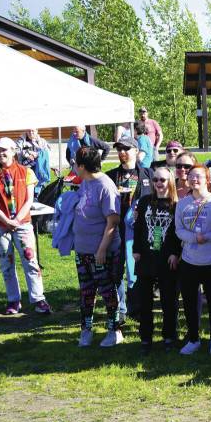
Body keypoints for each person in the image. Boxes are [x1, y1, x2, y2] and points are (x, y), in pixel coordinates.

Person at [0, 137, 51, 315]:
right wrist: (6, 221)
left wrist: (17, 220)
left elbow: (29, 199)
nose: (1, 153)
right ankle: (13, 300)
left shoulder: (26, 172)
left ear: (14, 151)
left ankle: (39, 299)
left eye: (4, 150)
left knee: (30, 261)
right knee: (6, 263)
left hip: (23, 224)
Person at [174, 164, 211, 355]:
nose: (193, 179)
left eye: (198, 176)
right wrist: (193, 238)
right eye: (191, 176)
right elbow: (179, 229)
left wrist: (207, 237)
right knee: (189, 302)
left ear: (207, 179)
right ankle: (193, 339)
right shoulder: (182, 204)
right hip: (190, 261)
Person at [72, 145, 124, 348]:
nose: (74, 166)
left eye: (75, 163)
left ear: (82, 166)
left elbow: (112, 221)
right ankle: (86, 330)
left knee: (107, 291)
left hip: (101, 251)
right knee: (86, 291)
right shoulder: (86, 182)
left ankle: (114, 330)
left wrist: (102, 249)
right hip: (82, 249)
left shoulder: (105, 186)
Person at [132, 166, 181, 353]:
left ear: (170, 181)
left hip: (167, 258)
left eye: (162, 180)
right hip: (146, 257)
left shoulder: (176, 204)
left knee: (169, 300)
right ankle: (146, 338)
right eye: (155, 180)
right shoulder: (145, 201)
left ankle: (169, 336)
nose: (159, 183)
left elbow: (178, 233)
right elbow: (138, 227)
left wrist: (175, 253)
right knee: (144, 301)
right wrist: (136, 249)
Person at [107, 136, 154, 328]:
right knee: (116, 271)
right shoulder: (110, 176)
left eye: (126, 148)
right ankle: (120, 310)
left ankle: (137, 307)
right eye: (119, 149)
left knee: (138, 271)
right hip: (116, 230)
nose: (122, 152)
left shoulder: (148, 174)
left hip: (140, 232)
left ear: (136, 151)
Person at [15, 128, 51, 193]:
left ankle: (38, 194)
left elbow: (46, 153)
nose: (31, 132)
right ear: (26, 131)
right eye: (29, 131)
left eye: (33, 131)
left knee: (39, 186)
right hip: (25, 168)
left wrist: (37, 155)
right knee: (28, 187)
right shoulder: (21, 141)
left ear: (37, 131)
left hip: (39, 167)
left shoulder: (42, 141)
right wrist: (27, 154)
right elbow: (17, 152)